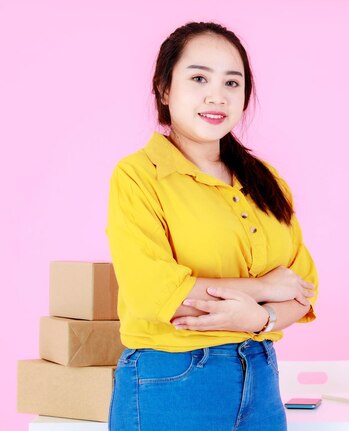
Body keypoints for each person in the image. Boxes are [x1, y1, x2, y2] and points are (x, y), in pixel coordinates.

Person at [106, 21, 318, 431]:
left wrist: (257, 320)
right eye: (198, 77)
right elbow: (155, 295)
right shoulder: (137, 175)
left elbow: (303, 291)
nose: (216, 96)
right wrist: (263, 290)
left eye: (232, 83)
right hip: (170, 381)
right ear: (165, 90)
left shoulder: (267, 181)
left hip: (260, 378)